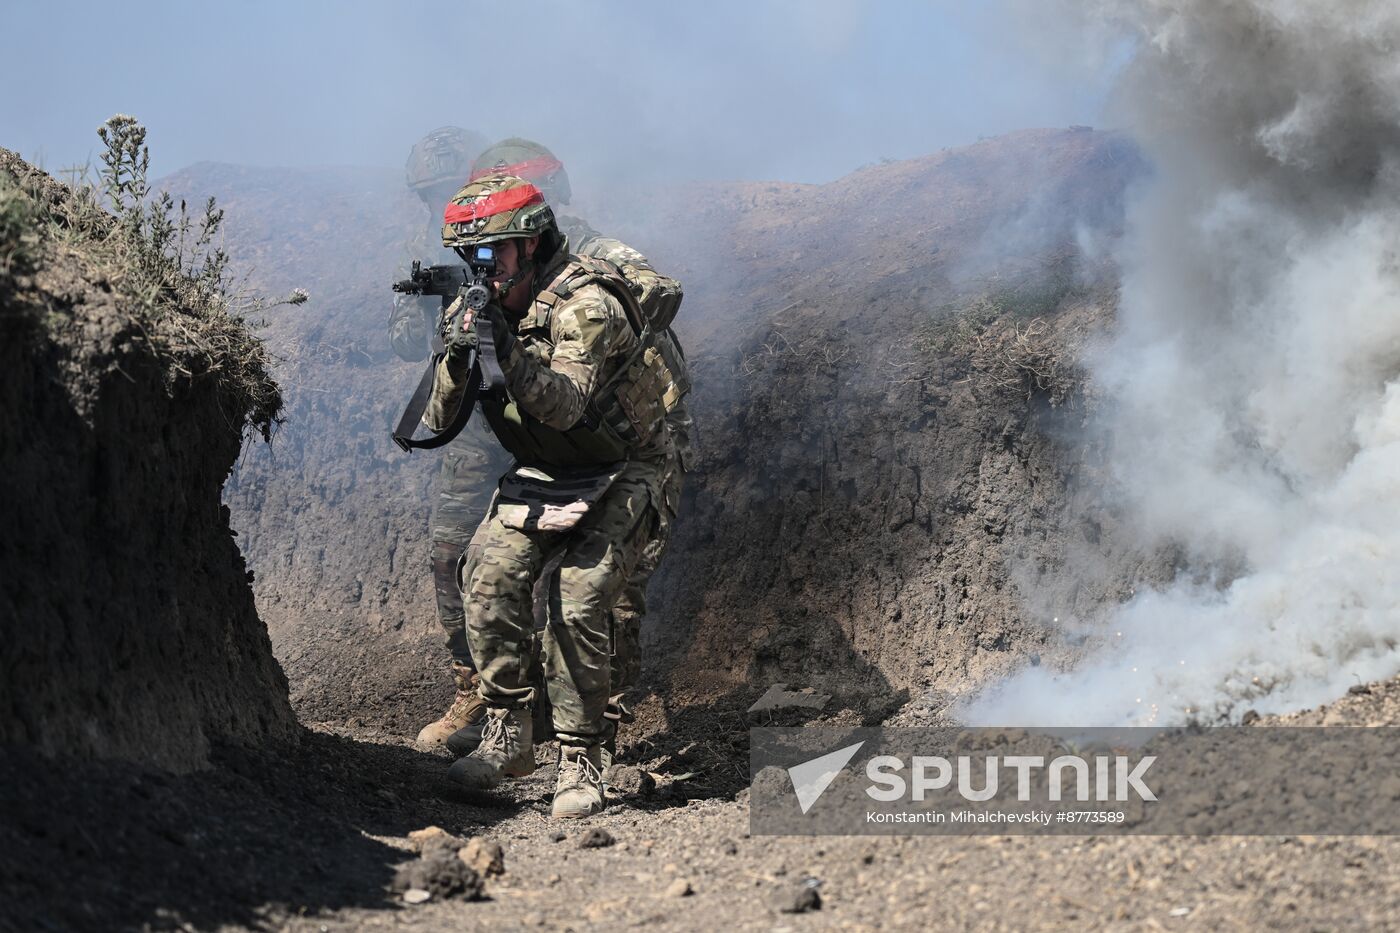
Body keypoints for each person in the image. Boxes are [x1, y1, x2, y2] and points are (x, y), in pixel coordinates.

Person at [422, 172, 683, 818]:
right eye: (470, 258)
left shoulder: (586, 304)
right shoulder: (483, 305)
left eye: (493, 255)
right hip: (552, 467)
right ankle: (509, 733)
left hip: (629, 465)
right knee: (487, 569)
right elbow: (436, 416)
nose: (481, 270)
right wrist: (458, 351)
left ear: (531, 245)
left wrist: (503, 345)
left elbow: (565, 405)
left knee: (580, 594)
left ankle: (581, 756)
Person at [386, 127, 511, 749]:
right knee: (451, 556)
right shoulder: (428, 244)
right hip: (470, 424)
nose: (436, 204)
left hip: (541, 414)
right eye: (426, 194)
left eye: (444, 188)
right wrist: (435, 310)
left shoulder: (522, 229)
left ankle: (563, 704)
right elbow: (406, 342)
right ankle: (474, 691)